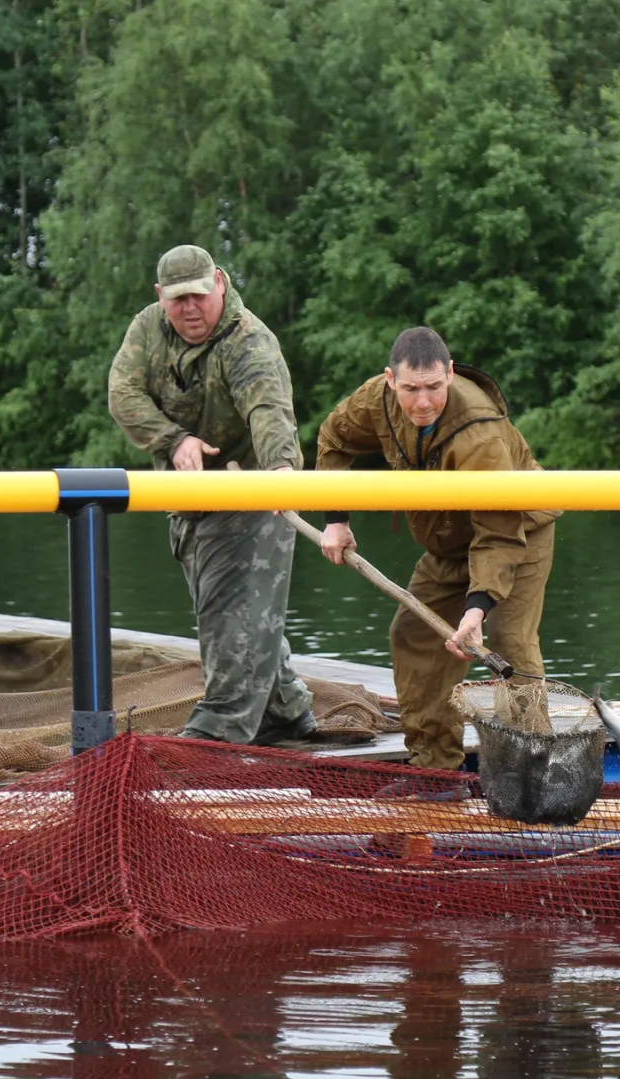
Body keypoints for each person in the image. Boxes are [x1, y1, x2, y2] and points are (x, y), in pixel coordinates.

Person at [108, 244, 343, 746]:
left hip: (255, 500)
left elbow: (268, 409)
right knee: (241, 613)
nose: (190, 308)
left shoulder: (250, 342)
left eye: (198, 294)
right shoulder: (148, 327)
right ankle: (284, 710)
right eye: (177, 300)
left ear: (219, 282)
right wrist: (176, 440)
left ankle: (218, 733)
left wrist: (281, 471)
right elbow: (122, 394)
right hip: (190, 501)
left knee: (229, 618)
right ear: (160, 298)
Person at [314, 326, 559, 769]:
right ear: (391, 380)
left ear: (449, 373)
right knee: (413, 635)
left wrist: (475, 608)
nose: (423, 402)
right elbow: (332, 439)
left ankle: (532, 773)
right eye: (410, 389)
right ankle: (433, 768)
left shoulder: (478, 432)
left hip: (517, 532)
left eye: (433, 387)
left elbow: (498, 534)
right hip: (447, 539)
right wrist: (336, 520)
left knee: (510, 644)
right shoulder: (375, 400)